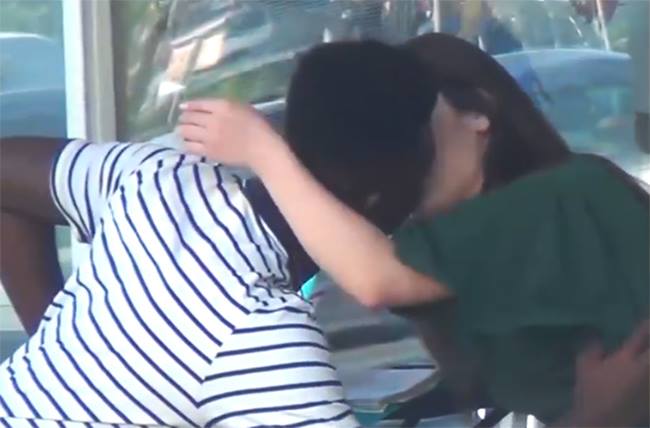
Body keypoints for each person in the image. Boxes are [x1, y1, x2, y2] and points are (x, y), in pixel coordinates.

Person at [179, 34, 649, 424]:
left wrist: (263, 150)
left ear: (478, 113)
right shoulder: (474, 246)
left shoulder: (552, 201)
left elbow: (375, 278)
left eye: (419, 115)